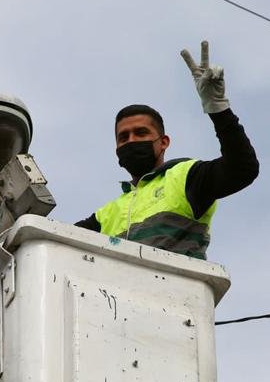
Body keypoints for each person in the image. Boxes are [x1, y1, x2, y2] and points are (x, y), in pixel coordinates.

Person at [75, 41, 259, 259]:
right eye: (123, 137)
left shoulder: (186, 177)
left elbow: (242, 168)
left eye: (141, 133)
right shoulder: (105, 215)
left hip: (174, 291)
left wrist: (218, 108)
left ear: (163, 142)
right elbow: (56, 239)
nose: (131, 141)